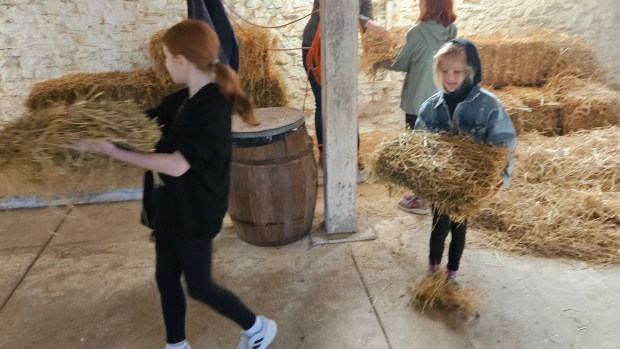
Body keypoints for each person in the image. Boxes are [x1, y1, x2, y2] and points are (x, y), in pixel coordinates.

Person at [71, 19, 277, 349]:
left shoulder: (210, 106)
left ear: (181, 60)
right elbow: (142, 122)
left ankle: (257, 327)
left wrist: (115, 151)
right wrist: (95, 126)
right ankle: (176, 345)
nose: (165, 65)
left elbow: (177, 165)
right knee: (165, 278)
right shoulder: (181, 100)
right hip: (171, 205)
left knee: (199, 286)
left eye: (166, 58)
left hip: (194, 209)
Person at [415, 39, 516, 282]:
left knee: (459, 229)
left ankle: (452, 274)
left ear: (469, 71)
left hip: (468, 186)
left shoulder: (488, 106)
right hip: (441, 184)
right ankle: (433, 271)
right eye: (445, 71)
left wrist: (501, 176)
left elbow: (504, 142)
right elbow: (418, 142)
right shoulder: (431, 106)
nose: (451, 77)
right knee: (439, 227)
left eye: (457, 71)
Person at [302, 0, 387, 169]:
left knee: (347, 102)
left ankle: (352, 153)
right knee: (323, 102)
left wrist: (381, 44)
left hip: (342, 47)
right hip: (315, 45)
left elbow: (367, 22)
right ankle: (324, 154)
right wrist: (364, 21)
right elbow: (331, 9)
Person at [390, 0, 457, 215]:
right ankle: (430, 194)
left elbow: (400, 64)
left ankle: (420, 200)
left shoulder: (416, 32)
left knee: (418, 151)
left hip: (418, 101)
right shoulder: (452, 29)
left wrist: (384, 57)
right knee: (436, 147)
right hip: (443, 99)